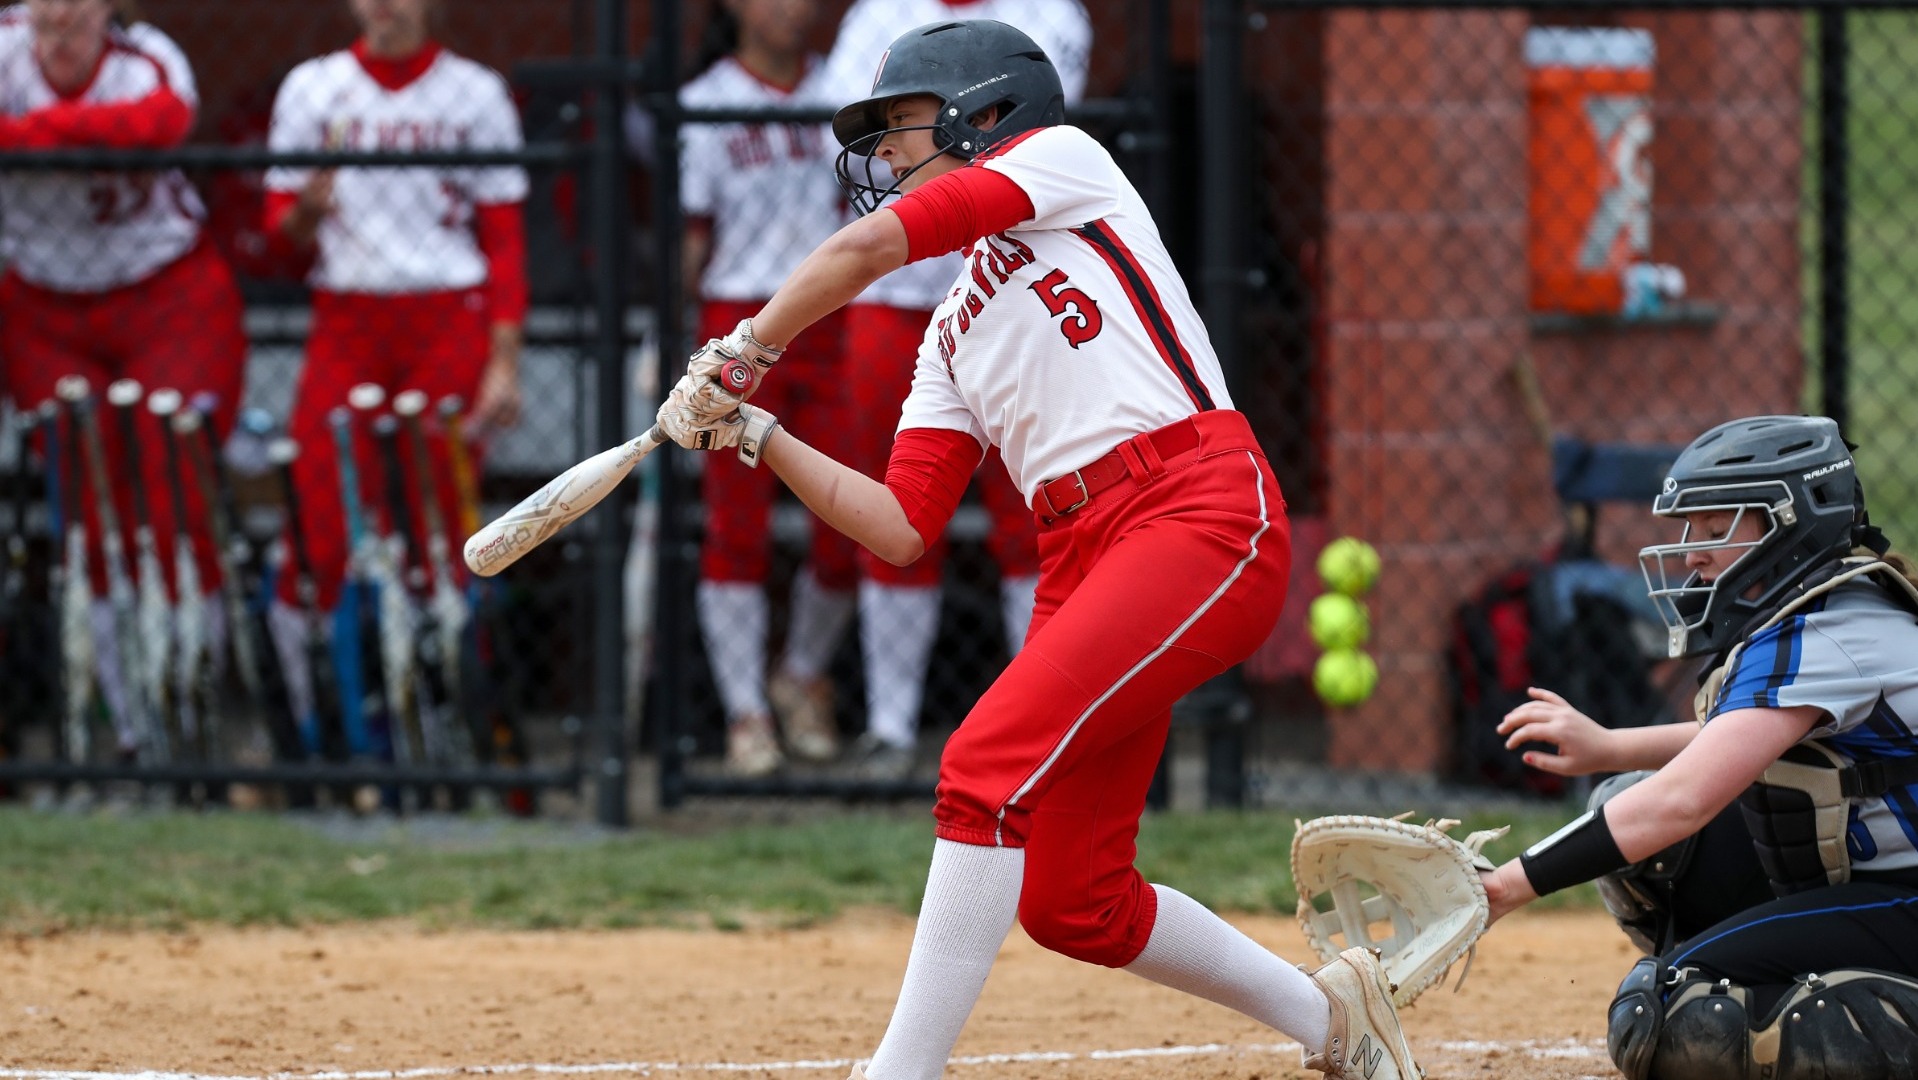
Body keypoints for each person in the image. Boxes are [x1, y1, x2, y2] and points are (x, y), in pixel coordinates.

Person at [655, 21, 1420, 1080]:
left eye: (899, 125)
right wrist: (758, 434)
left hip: (1193, 510)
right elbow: (899, 524)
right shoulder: (951, 329)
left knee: (978, 767)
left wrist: (743, 351)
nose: (882, 154)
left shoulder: (1062, 163)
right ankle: (1337, 1025)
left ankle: (896, 1075)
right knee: (1074, 902)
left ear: (985, 108)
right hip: (1082, 555)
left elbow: (866, 250)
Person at [1483, 414, 1918, 1080]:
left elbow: (1684, 799)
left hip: (1907, 897)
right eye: (1692, 530)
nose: (1691, 554)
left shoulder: (1835, 631)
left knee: (1677, 1011)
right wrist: (1609, 748)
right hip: (1881, 879)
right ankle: (1758, 961)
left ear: (1792, 523)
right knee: (1634, 820)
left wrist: (1506, 886)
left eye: (1717, 531)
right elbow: (1743, 739)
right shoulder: (1817, 609)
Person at [813, 0, 1091, 779]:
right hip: (895, 305)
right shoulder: (877, 14)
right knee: (894, 502)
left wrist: (750, 345)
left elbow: (1023, 140)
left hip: (1016, 292)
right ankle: (893, 726)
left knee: (1031, 511)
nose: (892, 147)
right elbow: (839, 139)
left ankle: (1047, 722)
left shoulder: (1050, 14)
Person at [263, 0, 527, 743]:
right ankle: (313, 727)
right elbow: (277, 237)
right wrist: (307, 212)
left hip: (448, 313)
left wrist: (503, 363)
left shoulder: (473, 92)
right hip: (347, 313)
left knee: (443, 528)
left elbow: (505, 241)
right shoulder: (314, 88)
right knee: (317, 521)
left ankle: (450, 717)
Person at [0, 0, 247, 759]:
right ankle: (128, 727)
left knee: (175, 489)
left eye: (76, 11)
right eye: (47, 9)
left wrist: (28, 140)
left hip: (162, 290)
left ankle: (190, 707)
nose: (60, 23)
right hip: (42, 300)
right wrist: (81, 137)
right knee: (89, 505)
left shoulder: (148, 57)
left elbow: (162, 124)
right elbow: (120, 132)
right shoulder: (6, 48)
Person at [677, 0, 859, 777]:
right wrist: (680, 350)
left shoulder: (847, 89)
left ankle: (801, 673)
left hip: (834, 320)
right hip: (737, 316)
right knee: (736, 527)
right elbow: (692, 238)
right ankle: (746, 713)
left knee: (850, 521)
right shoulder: (703, 99)